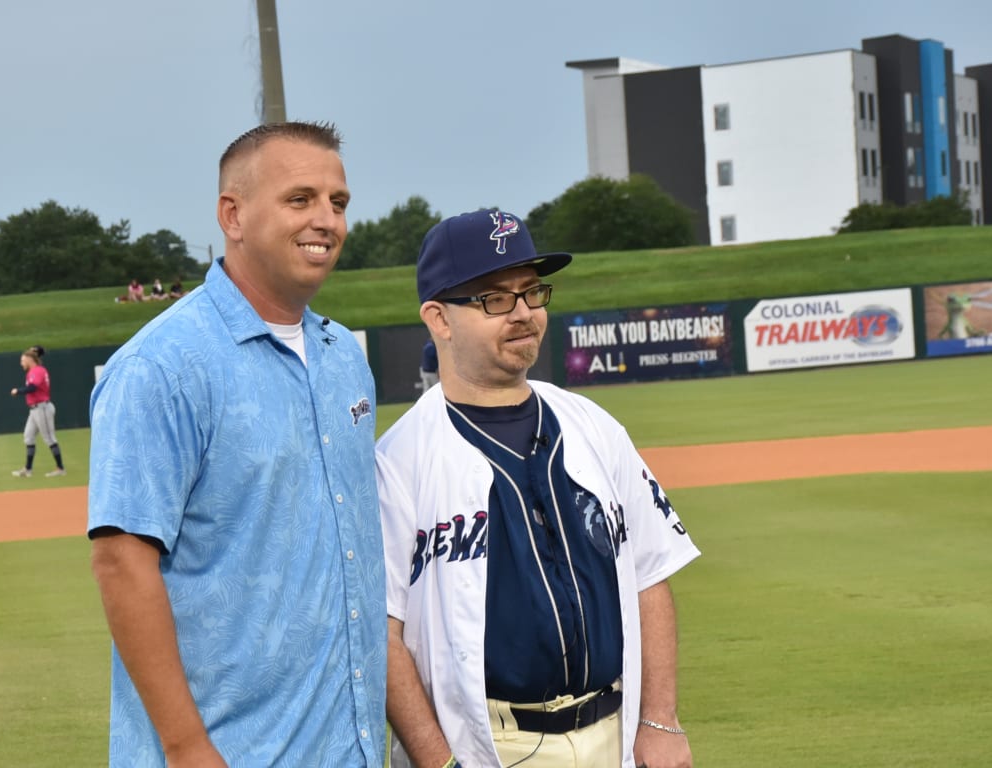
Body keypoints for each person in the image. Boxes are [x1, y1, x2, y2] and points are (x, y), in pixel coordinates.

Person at [87, 121, 385, 767]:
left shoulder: (343, 358)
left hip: (350, 748)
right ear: (233, 215)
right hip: (231, 751)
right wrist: (188, 749)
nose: (326, 220)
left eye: (338, 202)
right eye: (299, 198)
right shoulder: (161, 366)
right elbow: (121, 561)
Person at [377, 209, 700, 768]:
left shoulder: (594, 426)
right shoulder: (398, 461)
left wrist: (660, 720)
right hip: (487, 746)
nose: (523, 313)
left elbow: (649, 574)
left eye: (531, 292)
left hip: (613, 731)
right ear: (439, 319)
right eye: (495, 299)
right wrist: (437, 761)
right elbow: (380, 632)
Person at [10, 345, 65, 477]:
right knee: (28, 437)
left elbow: (33, 388)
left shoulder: (37, 371)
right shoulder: (33, 371)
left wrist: (18, 391)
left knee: (49, 438)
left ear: (30, 359)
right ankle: (28, 470)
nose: (21, 363)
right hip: (35, 410)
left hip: (42, 408)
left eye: (23, 360)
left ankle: (60, 468)